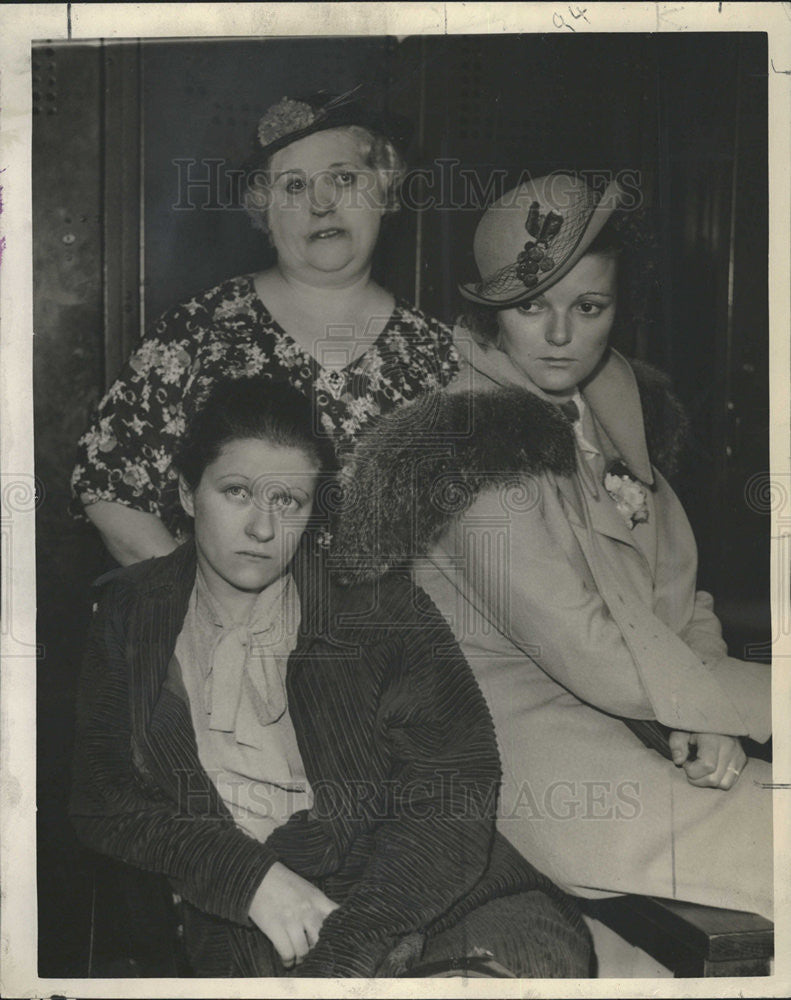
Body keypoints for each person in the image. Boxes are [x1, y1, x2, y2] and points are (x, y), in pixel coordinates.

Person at [334, 173, 773, 920]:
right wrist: (730, 708)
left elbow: (681, 597)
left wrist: (707, 714)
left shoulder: (612, 408)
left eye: (588, 307)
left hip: (645, 719)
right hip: (536, 764)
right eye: (531, 307)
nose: (562, 335)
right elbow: (590, 653)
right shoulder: (469, 447)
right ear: (489, 314)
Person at [69, 376, 592, 979]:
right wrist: (249, 879)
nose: (262, 529)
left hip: (429, 892)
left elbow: (454, 786)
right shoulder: (134, 613)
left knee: (527, 966)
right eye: (237, 492)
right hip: (264, 917)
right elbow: (104, 799)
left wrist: (353, 942)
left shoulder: (380, 607)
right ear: (188, 494)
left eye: (287, 501)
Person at [70, 89, 459, 566]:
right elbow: (109, 486)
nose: (321, 203)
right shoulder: (197, 330)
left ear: (383, 189)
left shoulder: (441, 354)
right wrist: (204, 612)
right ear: (265, 213)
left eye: (343, 177)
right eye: (294, 187)